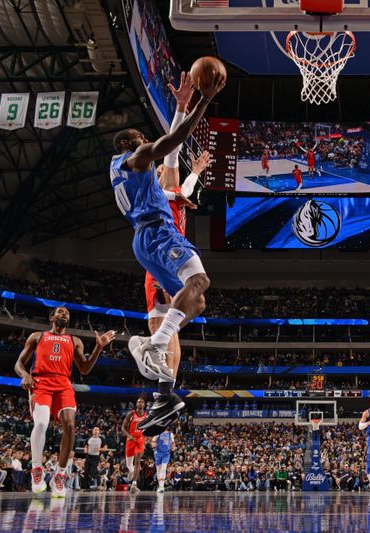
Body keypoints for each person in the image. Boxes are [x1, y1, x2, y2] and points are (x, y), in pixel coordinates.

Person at [112, 67, 225, 429]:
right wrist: (202, 100)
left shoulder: (140, 180)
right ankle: (151, 346)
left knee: (197, 302)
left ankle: (162, 395)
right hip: (161, 239)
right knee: (199, 285)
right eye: (142, 138)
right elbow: (171, 146)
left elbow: (173, 161)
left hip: (151, 245)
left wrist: (180, 106)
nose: (148, 141)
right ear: (131, 145)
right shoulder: (139, 164)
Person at [144, 80, 212, 434]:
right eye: (156, 172)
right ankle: (163, 396)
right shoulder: (157, 190)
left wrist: (196, 175)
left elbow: (174, 161)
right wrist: (182, 108)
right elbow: (171, 158)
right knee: (164, 327)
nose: (163, 170)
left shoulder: (172, 188)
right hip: (157, 255)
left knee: (184, 310)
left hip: (169, 254)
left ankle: (163, 394)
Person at [14, 306, 115, 497]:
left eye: (67, 313)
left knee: (70, 426)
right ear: (52, 317)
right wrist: (24, 374)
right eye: (60, 312)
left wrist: (98, 348)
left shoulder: (74, 341)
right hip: (41, 382)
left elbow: (84, 369)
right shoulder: (37, 336)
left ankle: (59, 475)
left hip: (63, 384)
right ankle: (37, 469)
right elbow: (18, 363)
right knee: (42, 423)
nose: (64, 314)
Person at [122, 395, 148, 493]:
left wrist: (147, 439)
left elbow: (149, 428)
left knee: (138, 461)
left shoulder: (146, 416)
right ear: (136, 404)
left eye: (142, 402)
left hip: (140, 439)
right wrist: (128, 436)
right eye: (139, 401)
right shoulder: (131, 414)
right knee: (129, 464)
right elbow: (123, 428)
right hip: (131, 439)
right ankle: (132, 471)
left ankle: (134, 484)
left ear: (144, 405)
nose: (140, 403)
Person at [153, 425, 174, 493]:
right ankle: (160, 485)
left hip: (166, 453)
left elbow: (173, 443)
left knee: (163, 468)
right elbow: (153, 441)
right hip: (158, 453)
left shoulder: (170, 434)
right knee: (158, 469)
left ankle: (162, 486)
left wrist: (173, 447)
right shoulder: (158, 433)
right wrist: (154, 445)